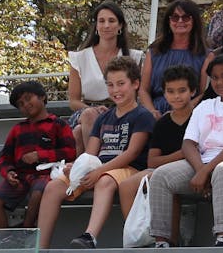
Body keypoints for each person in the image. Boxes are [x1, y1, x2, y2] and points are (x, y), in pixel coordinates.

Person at [149, 54, 223, 248]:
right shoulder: (204, 106)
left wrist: (205, 172)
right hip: (202, 163)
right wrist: (200, 170)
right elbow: (188, 143)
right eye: (214, 77)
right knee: (161, 176)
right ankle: (162, 241)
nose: (219, 82)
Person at [38, 56, 154, 250]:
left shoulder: (142, 116)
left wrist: (99, 171)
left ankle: (89, 236)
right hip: (99, 168)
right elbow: (91, 155)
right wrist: (76, 167)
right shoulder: (103, 118)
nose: (115, 90)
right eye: (110, 85)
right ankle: (40, 246)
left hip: (127, 169)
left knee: (105, 180)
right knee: (53, 187)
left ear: (135, 84)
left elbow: (132, 153)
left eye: (120, 84)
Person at [118, 66, 199, 244]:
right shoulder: (163, 122)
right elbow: (152, 160)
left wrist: (186, 156)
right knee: (126, 186)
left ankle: (169, 242)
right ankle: (138, 237)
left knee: (164, 181)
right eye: (170, 91)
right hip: (161, 169)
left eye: (182, 90)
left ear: (193, 91)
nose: (176, 96)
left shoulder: (200, 117)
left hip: (192, 169)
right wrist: (182, 153)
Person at [0, 81, 76, 231]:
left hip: (46, 174)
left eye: (29, 98)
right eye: (20, 104)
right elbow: (5, 158)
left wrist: (40, 155)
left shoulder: (59, 124)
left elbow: (70, 152)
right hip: (20, 176)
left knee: (38, 193)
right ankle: (6, 240)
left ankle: (26, 229)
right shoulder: (17, 129)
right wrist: (8, 172)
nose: (26, 105)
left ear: (42, 97)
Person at [67, 2, 144, 153]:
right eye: (101, 21)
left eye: (111, 21)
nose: (106, 25)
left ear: (120, 25)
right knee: (89, 116)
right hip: (86, 109)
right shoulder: (79, 57)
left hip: (123, 109)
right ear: (96, 26)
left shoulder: (134, 57)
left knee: (78, 132)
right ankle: (94, 163)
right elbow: (73, 101)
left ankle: (89, 168)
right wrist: (93, 109)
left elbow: (139, 94)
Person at [141, 0, 210, 117]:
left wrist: (183, 112)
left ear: (194, 21)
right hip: (155, 113)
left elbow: (204, 93)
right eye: (175, 17)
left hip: (190, 114)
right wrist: (151, 112)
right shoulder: (153, 52)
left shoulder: (206, 55)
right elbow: (143, 90)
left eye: (186, 17)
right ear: (168, 21)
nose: (180, 21)